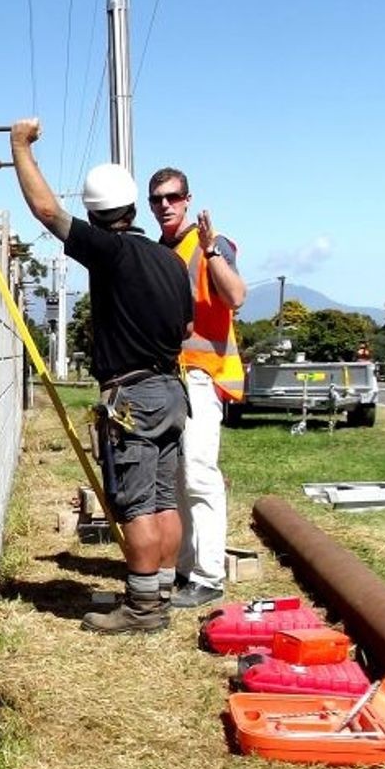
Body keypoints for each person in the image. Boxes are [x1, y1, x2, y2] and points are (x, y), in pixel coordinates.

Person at [9, 120, 194, 634]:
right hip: (171, 392)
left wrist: (19, 146)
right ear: (134, 207)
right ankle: (158, 594)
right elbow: (186, 327)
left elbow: (47, 211)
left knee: (135, 504)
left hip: (134, 396)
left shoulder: (110, 252)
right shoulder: (170, 261)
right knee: (164, 499)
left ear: (94, 214)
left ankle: (142, 609)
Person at [146, 166, 246, 609]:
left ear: (187, 200)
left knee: (200, 474)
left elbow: (236, 297)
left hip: (202, 376)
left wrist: (211, 252)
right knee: (178, 476)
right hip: (171, 376)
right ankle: (188, 569)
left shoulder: (213, 244)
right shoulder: (159, 252)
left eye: (172, 197)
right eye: (157, 199)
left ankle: (209, 576)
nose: (165, 205)